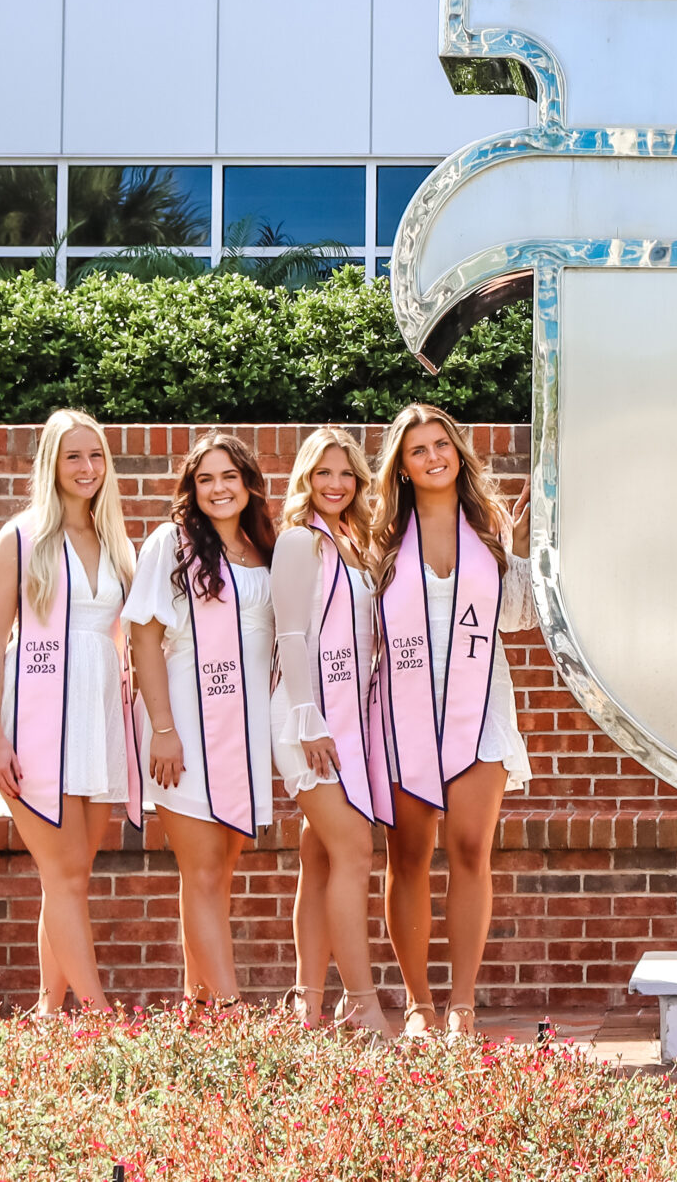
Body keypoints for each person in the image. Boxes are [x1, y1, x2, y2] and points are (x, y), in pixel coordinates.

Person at [0, 409, 139, 1015]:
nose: (87, 468)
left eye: (95, 456)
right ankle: (99, 1017)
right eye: (73, 457)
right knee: (64, 875)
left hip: (94, 723)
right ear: (51, 464)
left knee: (68, 879)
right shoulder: (19, 538)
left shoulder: (114, 540)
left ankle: (46, 1012)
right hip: (33, 726)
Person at [371, 403, 535, 1040]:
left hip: (480, 702)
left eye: (442, 443)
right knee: (408, 856)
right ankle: (418, 1004)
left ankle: (462, 1004)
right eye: (418, 450)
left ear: (457, 451)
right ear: (402, 467)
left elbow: (517, 614)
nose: (433, 456)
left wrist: (527, 554)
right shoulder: (380, 534)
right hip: (405, 710)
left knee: (471, 851)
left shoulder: (488, 525)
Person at [125, 433, 279, 1006]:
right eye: (205, 479)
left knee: (218, 876)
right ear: (192, 489)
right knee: (203, 872)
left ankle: (200, 1012)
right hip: (186, 727)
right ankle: (232, 1013)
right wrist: (162, 728)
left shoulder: (264, 546)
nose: (218, 488)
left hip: (243, 733)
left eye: (229, 477)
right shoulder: (173, 543)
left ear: (248, 484)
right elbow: (144, 635)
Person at [272, 427, 397, 1038]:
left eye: (347, 473)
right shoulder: (301, 542)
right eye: (324, 472)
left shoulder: (354, 542)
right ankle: (363, 1005)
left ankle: (307, 1006)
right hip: (309, 720)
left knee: (319, 857)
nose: (336, 484)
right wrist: (310, 720)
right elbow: (291, 636)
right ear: (305, 477)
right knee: (353, 850)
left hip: (349, 718)